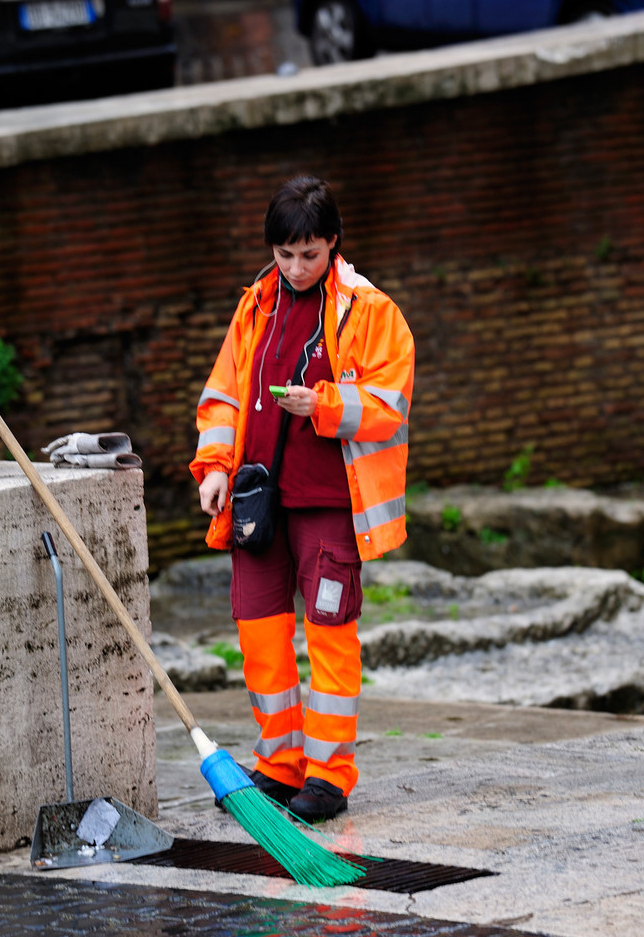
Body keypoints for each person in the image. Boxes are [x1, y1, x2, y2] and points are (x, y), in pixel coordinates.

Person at [190, 175, 415, 822]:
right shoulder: (255, 304)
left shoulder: (370, 311)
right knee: (259, 637)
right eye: (284, 254)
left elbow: (389, 406)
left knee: (329, 637)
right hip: (256, 501)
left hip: (328, 504)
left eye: (308, 254)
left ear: (332, 245)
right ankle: (279, 766)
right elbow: (223, 396)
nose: (294, 268)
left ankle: (328, 776)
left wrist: (322, 405)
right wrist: (212, 468)